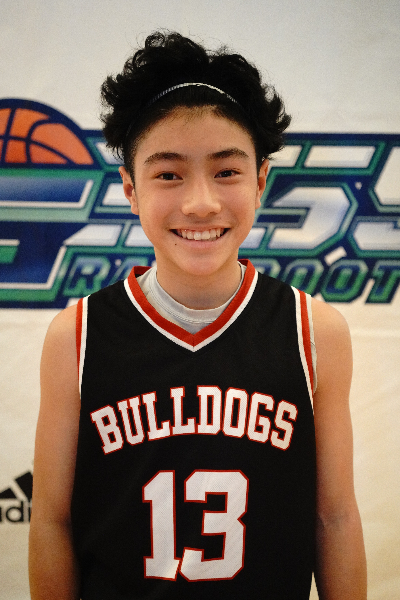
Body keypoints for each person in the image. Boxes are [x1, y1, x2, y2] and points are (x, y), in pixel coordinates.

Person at [29, 31, 367, 600]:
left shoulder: (314, 331)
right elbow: (51, 522)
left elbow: (333, 518)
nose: (201, 203)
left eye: (226, 171)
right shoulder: (77, 336)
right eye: (168, 174)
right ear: (130, 190)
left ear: (260, 182)